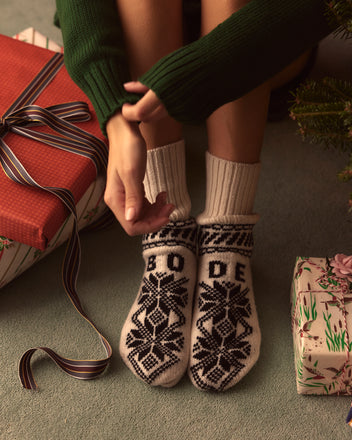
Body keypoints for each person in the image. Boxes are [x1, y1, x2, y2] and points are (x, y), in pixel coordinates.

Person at [55, 0, 335, 391]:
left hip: (268, 38)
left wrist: (197, 70)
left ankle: (228, 227)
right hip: (147, 49)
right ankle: (168, 227)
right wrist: (117, 120)